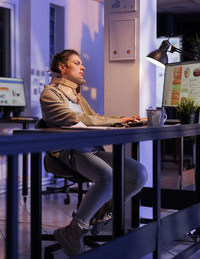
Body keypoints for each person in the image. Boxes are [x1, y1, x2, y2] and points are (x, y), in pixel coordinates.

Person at [40, 49, 148, 258]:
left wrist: (124, 118)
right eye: (77, 63)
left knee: (139, 174)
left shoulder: (77, 96)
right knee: (107, 177)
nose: (83, 67)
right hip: (67, 152)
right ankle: (75, 229)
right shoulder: (50, 94)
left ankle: (99, 216)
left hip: (89, 149)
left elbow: (95, 117)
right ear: (62, 68)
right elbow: (76, 119)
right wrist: (118, 120)